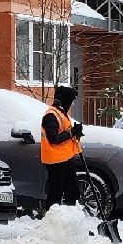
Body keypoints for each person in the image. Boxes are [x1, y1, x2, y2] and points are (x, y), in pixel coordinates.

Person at [34, 85, 86, 220]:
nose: (72, 104)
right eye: (71, 100)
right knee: (55, 194)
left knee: (72, 191)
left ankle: (72, 221)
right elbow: (53, 139)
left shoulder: (61, 113)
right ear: (65, 100)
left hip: (66, 159)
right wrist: (71, 133)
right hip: (55, 162)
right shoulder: (51, 115)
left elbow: (65, 133)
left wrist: (76, 133)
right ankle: (52, 222)